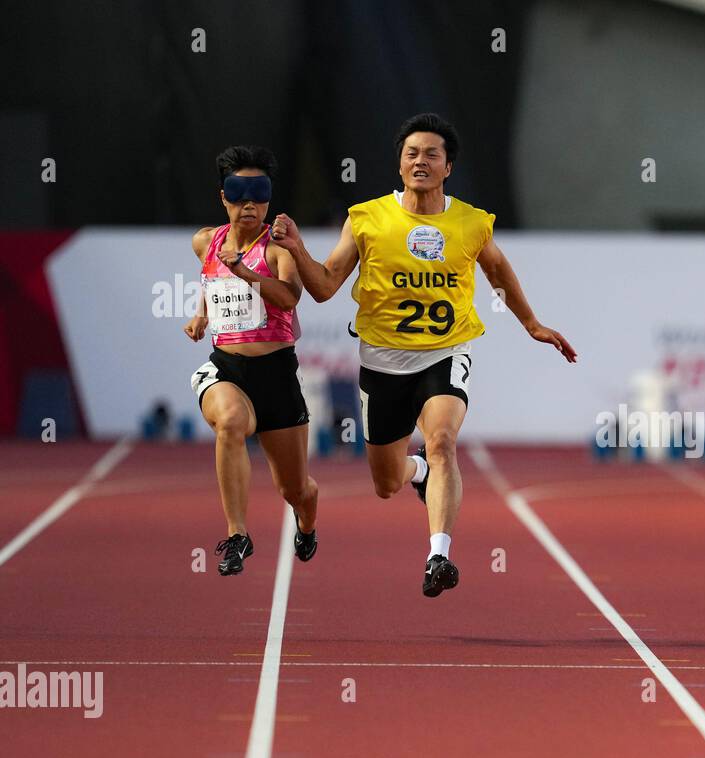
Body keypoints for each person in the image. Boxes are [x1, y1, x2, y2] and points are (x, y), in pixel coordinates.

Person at [270, 113, 577, 597]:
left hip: (446, 351)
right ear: (399, 164)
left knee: (442, 440)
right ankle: (421, 474)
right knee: (387, 481)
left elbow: (497, 271)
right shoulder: (366, 218)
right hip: (382, 360)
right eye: (412, 153)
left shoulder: (471, 222)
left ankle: (439, 555)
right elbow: (326, 286)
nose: (420, 161)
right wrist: (298, 248)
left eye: (432, 154)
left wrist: (532, 324)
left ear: (448, 166)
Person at [184, 146, 318, 576]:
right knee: (230, 424)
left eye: (259, 193)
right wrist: (202, 312)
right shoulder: (206, 240)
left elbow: (289, 296)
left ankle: (307, 523)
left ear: (269, 198)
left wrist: (244, 271)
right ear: (223, 196)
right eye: (239, 192)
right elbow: (211, 278)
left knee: (295, 489)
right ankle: (238, 534)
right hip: (227, 368)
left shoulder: (276, 249)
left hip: (276, 374)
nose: (249, 203)